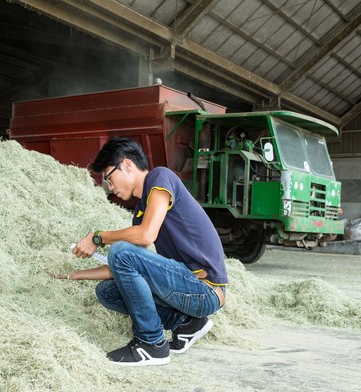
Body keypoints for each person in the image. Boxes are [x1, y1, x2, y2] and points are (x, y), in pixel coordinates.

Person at [49, 137, 228, 366]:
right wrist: (71, 275)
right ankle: (187, 324)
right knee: (107, 292)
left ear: (126, 165)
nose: (110, 187)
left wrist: (98, 237)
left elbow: (144, 237)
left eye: (109, 177)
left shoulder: (160, 178)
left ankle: (151, 344)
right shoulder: (142, 210)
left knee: (121, 250)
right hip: (187, 286)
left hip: (206, 288)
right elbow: (125, 268)